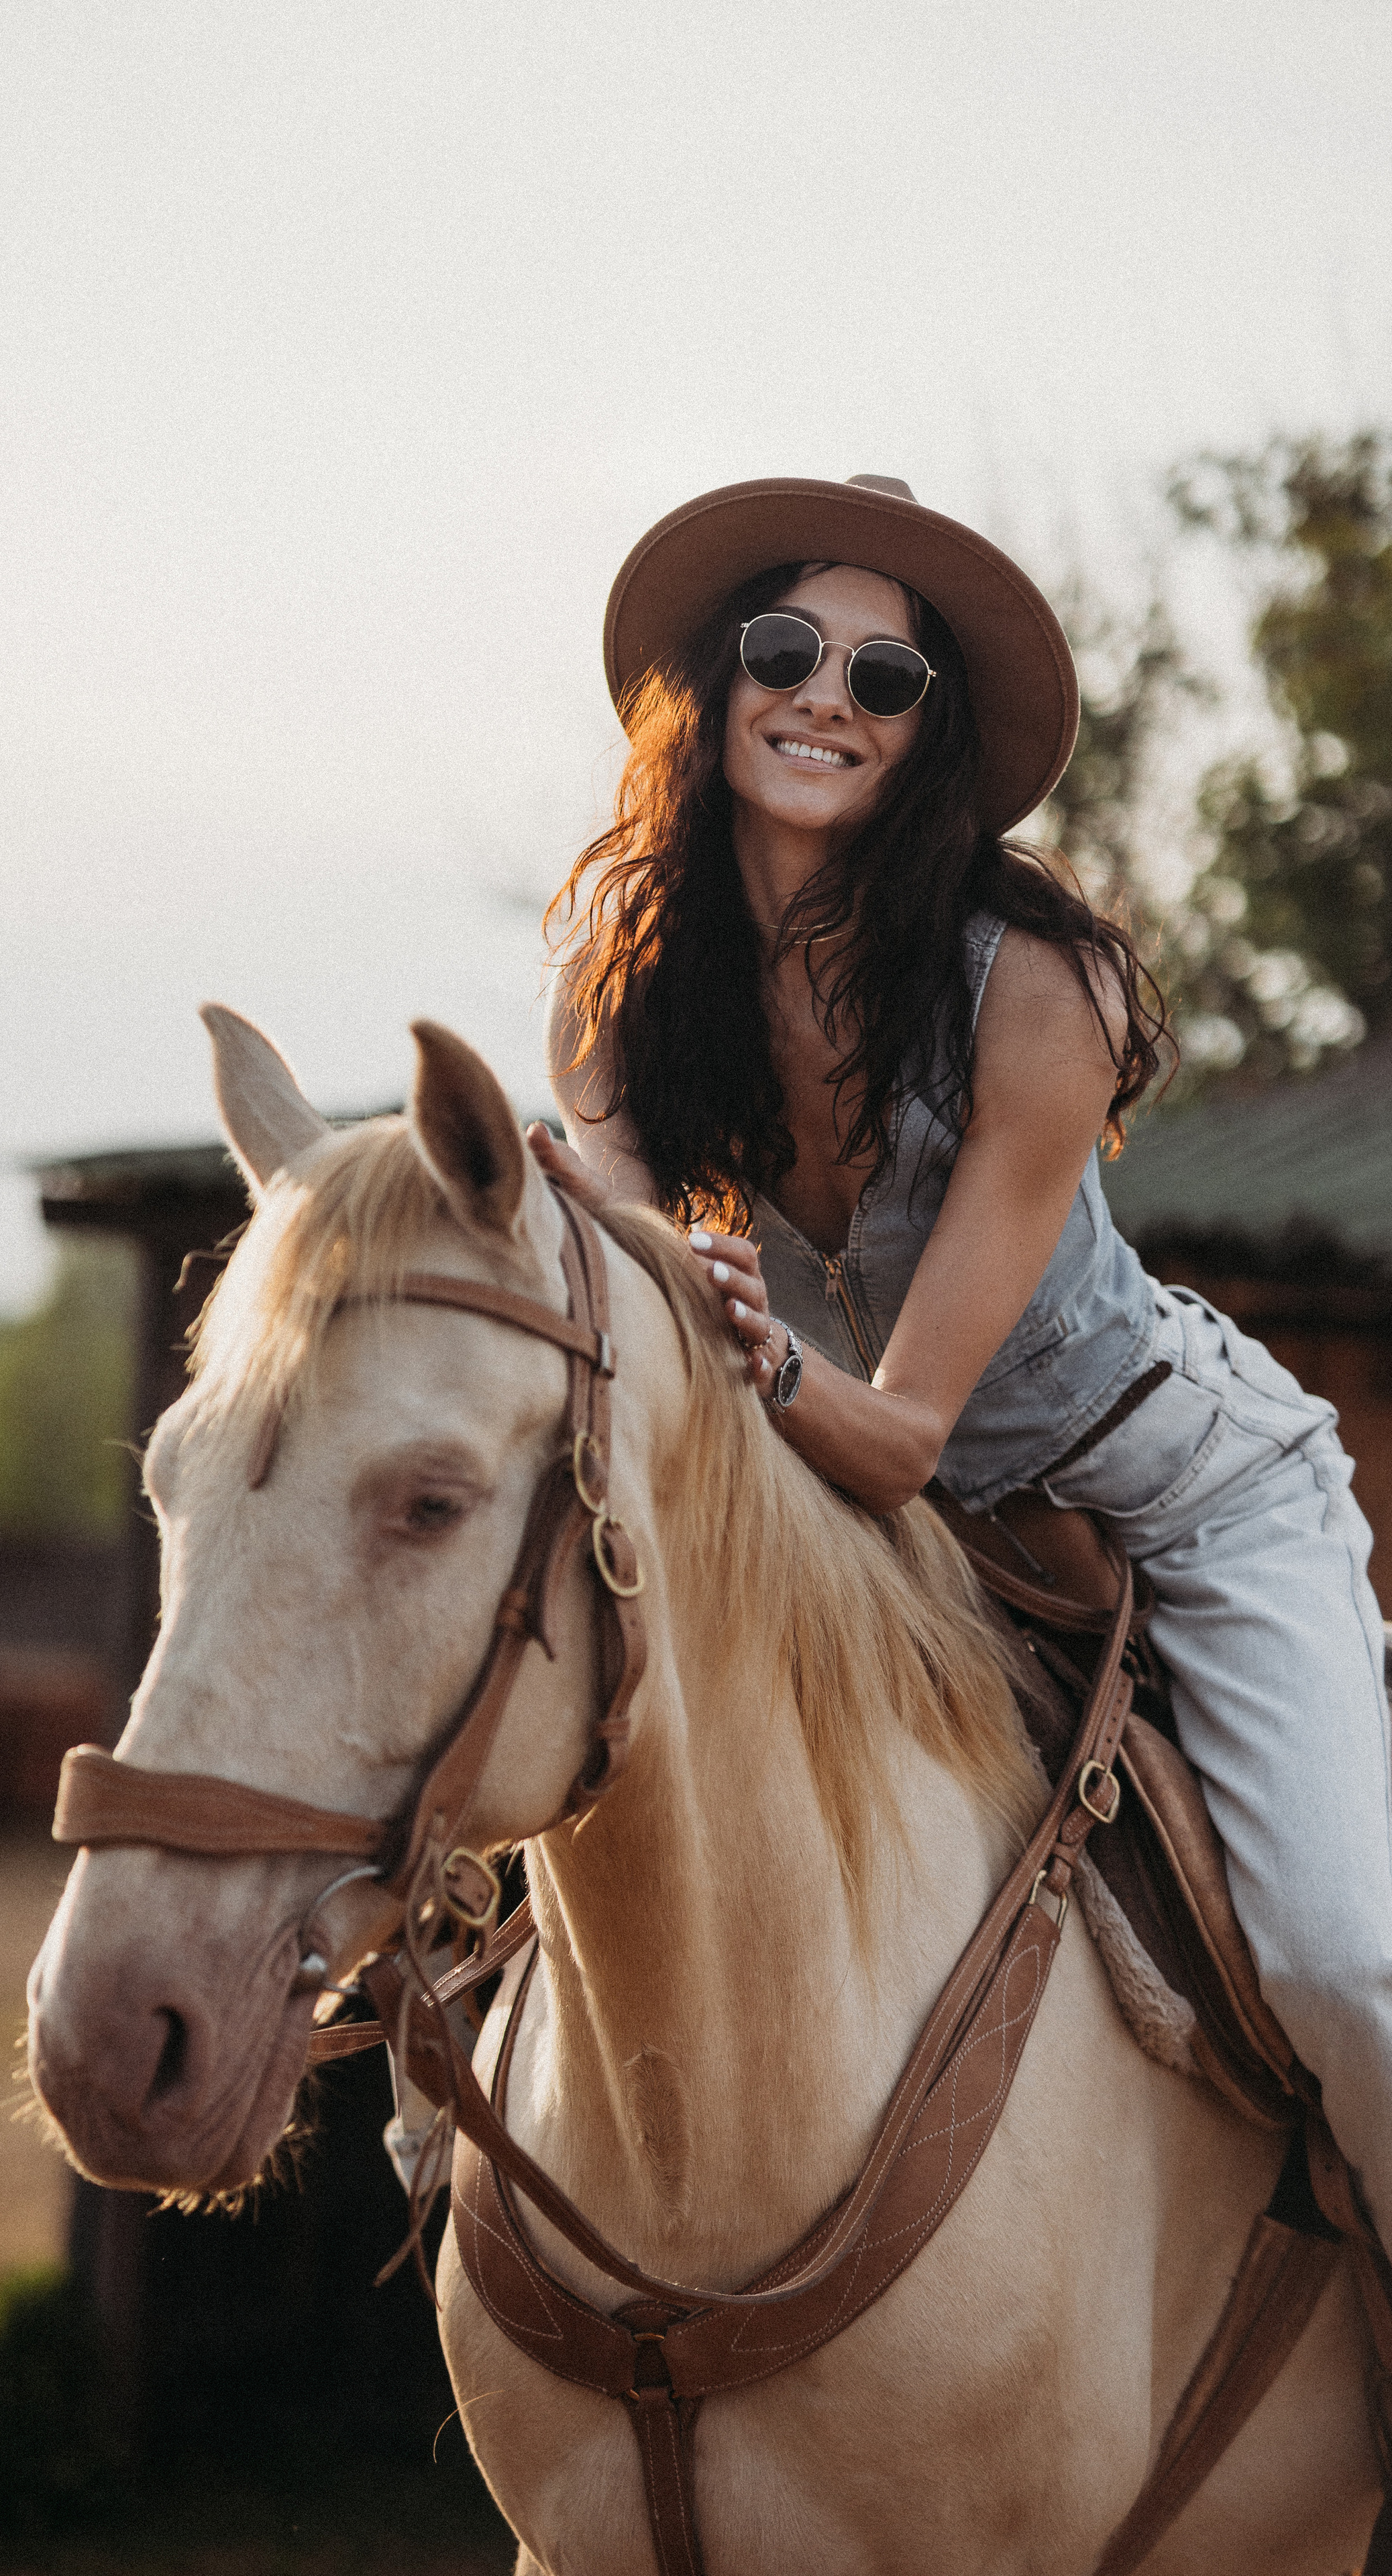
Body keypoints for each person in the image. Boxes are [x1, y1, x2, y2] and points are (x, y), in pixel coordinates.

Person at [531, 472, 1392, 2240]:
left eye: (885, 678)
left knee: (1338, 1960)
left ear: (929, 737)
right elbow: (627, 1323)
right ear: (723, 681)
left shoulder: (1037, 994)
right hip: (890, 1546)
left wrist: (756, 1366)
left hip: (1169, 1499)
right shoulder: (619, 989)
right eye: (786, 648)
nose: (827, 696)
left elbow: (907, 1429)